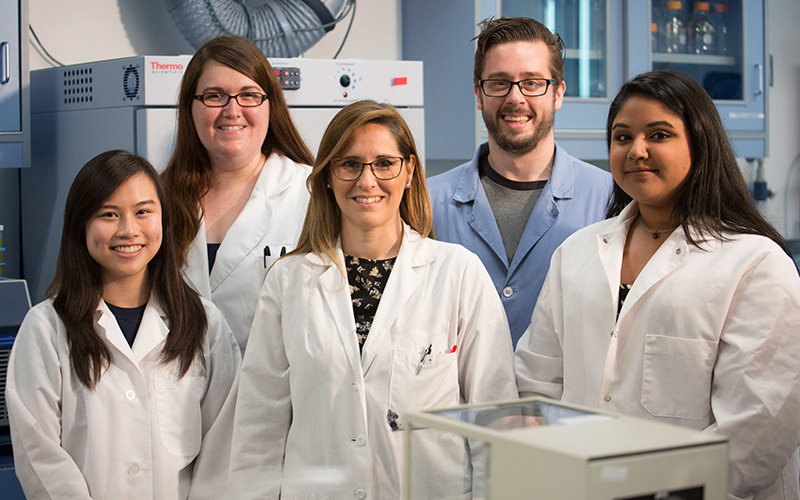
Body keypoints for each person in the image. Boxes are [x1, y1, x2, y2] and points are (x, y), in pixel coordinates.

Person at [515, 71, 800, 499]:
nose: (637, 151)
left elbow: (757, 429)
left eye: (660, 134)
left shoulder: (754, 264)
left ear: (699, 145)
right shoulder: (577, 254)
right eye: (622, 137)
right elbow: (536, 383)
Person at [230, 100, 517, 499]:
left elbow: (495, 417)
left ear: (410, 172)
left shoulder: (457, 273)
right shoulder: (288, 281)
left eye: (384, 163)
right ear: (329, 176)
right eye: (349, 164)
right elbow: (259, 428)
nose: (367, 181)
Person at [6, 150, 241, 499]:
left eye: (143, 212)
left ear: (164, 220)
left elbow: (224, 447)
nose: (128, 230)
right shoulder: (45, 329)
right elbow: (38, 454)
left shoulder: (204, 324)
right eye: (108, 214)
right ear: (81, 225)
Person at [427, 17, 613, 347]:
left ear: (558, 93)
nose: (516, 97)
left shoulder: (609, 199)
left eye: (532, 82)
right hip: (461, 398)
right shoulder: (428, 201)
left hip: (566, 399)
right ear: (478, 94)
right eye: (499, 83)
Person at [161, 35, 314, 352]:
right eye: (214, 96)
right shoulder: (158, 198)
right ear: (191, 107)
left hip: (276, 394)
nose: (232, 110)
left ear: (271, 106)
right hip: (180, 393)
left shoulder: (313, 194)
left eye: (249, 95)